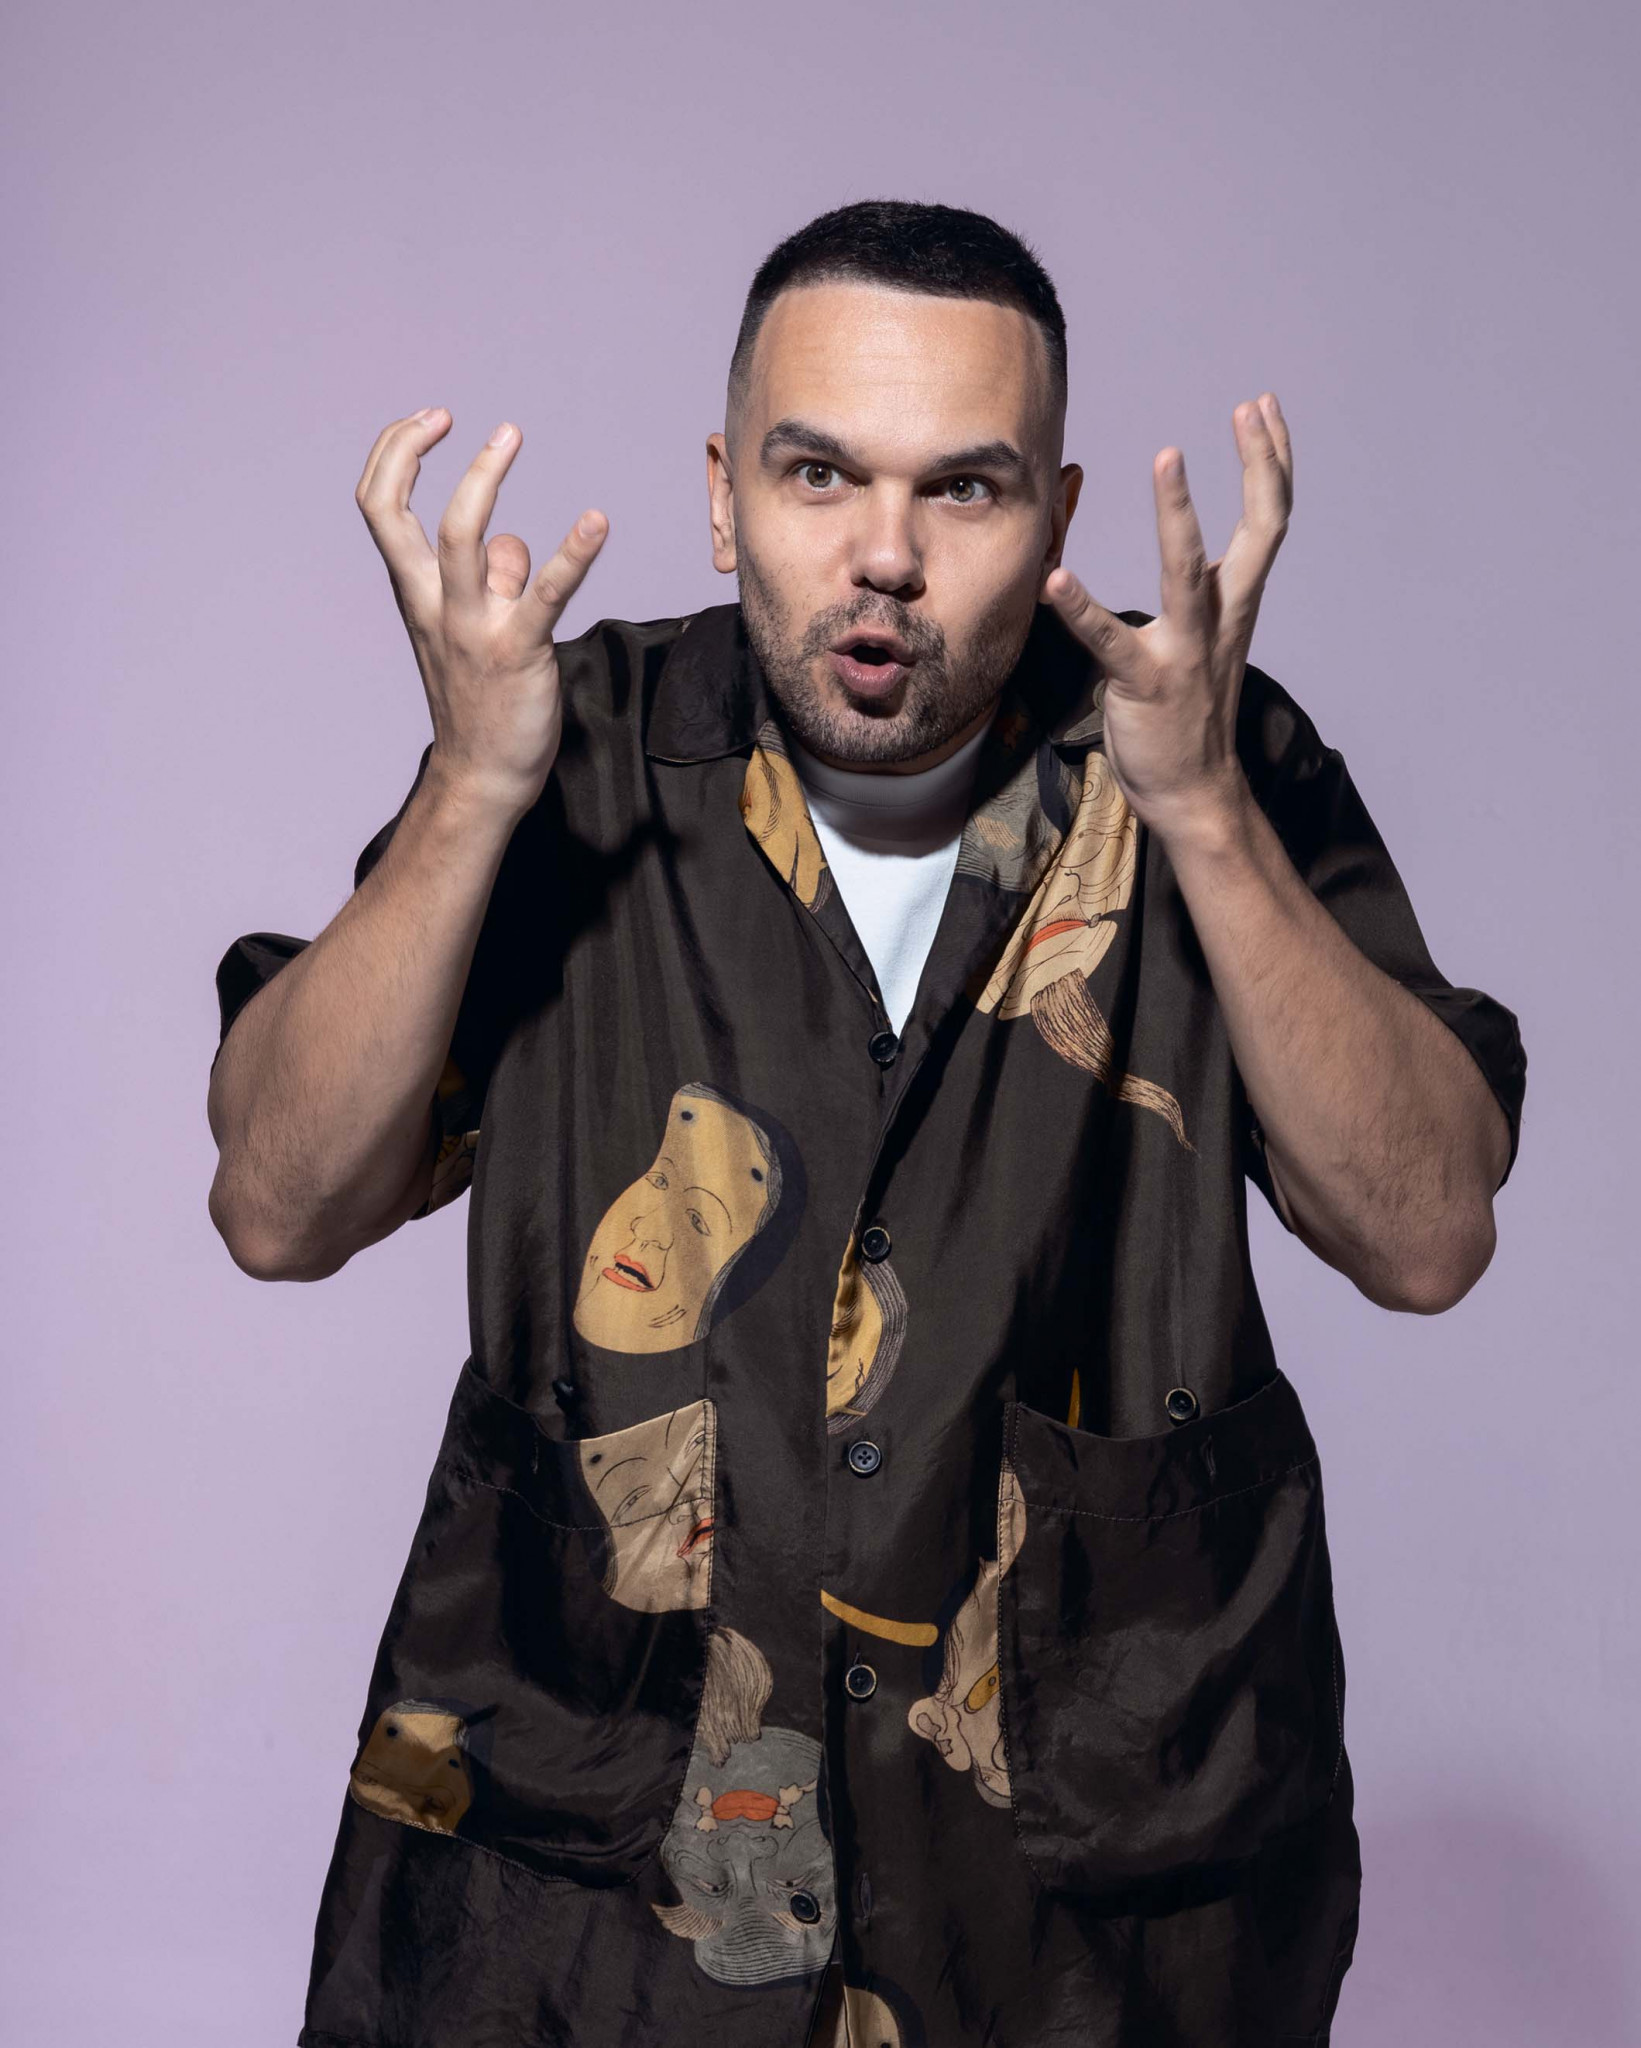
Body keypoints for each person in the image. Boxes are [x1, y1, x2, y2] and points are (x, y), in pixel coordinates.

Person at [206, 198, 1526, 2047]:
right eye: (816, 473)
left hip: (1076, 1926)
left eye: (963, 489)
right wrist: (468, 794)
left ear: (1055, 519)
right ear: (722, 494)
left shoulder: (1204, 750)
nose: (884, 556)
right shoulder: (560, 747)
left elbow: (1427, 1233)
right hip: (591, 1895)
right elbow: (277, 1202)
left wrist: (1208, 817)